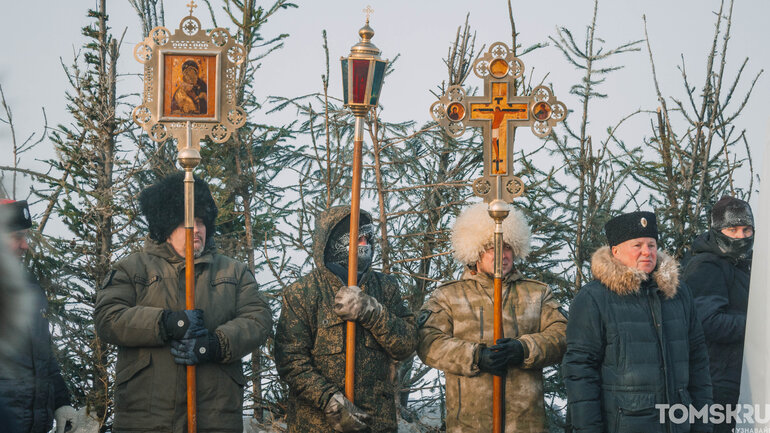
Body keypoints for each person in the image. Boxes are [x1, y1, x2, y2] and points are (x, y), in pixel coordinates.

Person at [94, 173, 272, 433]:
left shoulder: (233, 272)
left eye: (201, 222)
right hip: (146, 418)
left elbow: (258, 319)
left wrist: (215, 345)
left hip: (215, 416)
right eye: (187, 221)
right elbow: (108, 318)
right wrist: (166, 322)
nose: (196, 229)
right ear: (166, 227)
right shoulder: (132, 268)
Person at [416, 202, 567, 432]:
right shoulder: (448, 296)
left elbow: (564, 334)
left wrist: (524, 349)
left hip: (527, 424)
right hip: (469, 424)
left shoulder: (538, 293)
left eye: (507, 247)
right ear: (475, 250)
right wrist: (476, 356)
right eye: (491, 247)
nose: (502, 255)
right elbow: (428, 342)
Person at [563, 211, 712, 433]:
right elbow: (580, 371)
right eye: (637, 245)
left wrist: (703, 424)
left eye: (651, 245)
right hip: (624, 424)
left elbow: (698, 362)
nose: (647, 252)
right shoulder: (593, 298)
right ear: (615, 251)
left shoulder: (678, 294)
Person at [274, 206, 418, 433]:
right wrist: (328, 399)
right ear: (332, 242)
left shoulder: (386, 288)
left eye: (367, 238)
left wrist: (372, 311)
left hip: (375, 423)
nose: (365, 244)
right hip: (316, 424)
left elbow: (407, 345)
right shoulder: (302, 292)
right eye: (357, 238)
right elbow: (290, 361)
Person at [0, 199, 78, 433]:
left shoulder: (29, 286)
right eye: (17, 237)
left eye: (26, 237)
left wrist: (61, 402)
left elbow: (42, 354)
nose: (25, 246)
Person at [682, 196, 754, 433]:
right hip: (716, 383)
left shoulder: (742, 265)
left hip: (743, 379)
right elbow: (707, 322)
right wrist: (758, 327)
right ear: (717, 230)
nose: (741, 236)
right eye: (733, 229)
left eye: (746, 229)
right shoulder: (706, 265)